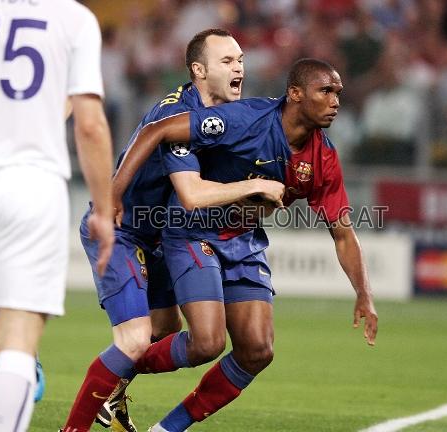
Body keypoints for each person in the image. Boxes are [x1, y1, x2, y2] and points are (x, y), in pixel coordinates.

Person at [112, 58, 378, 432]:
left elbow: (344, 233)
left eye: (338, 93)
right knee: (206, 343)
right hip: (193, 231)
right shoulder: (245, 119)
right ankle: (113, 375)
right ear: (296, 94)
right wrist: (116, 192)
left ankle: (166, 429)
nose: (335, 101)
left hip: (243, 243)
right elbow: (157, 131)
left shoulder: (324, 158)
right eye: (326, 91)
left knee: (257, 351)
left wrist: (364, 293)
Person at [61, 29, 285, 432]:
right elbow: (191, 192)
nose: (239, 68)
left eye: (240, 60)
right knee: (134, 339)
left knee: (165, 331)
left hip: (162, 237)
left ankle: (112, 391)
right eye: (227, 61)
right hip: (123, 231)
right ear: (199, 70)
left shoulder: (223, 120)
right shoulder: (176, 115)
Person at [0, 1, 115, 431]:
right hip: (30, 183)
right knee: (17, 338)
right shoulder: (73, 20)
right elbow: (90, 125)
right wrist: (103, 209)